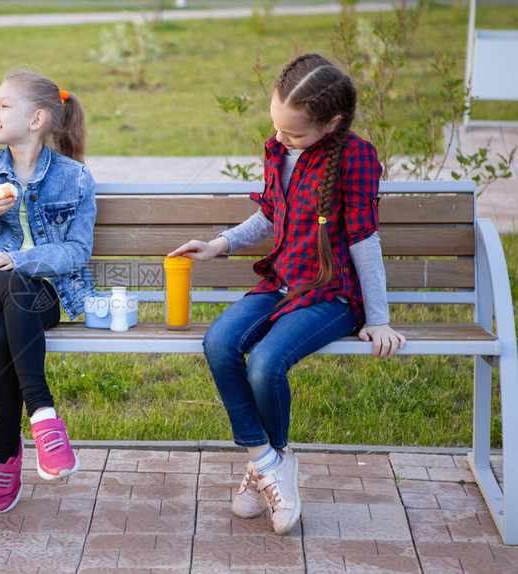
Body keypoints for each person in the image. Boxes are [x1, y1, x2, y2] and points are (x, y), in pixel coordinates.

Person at [168, 53, 406, 535]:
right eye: (277, 127)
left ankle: (267, 467)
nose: (281, 138)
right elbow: (270, 215)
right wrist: (220, 243)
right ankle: (269, 460)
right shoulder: (279, 149)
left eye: (294, 133)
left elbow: (364, 238)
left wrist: (377, 318)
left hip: (332, 294)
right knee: (219, 343)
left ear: (332, 123)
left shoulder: (356, 157)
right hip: (280, 282)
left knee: (266, 362)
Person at [0, 69, 96, 514]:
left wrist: (22, 260)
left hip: (40, 298)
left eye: (4, 105)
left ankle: (6, 448)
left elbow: (77, 252)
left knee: (1, 333)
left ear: (36, 120)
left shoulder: (75, 178)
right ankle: (44, 413)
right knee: (9, 290)